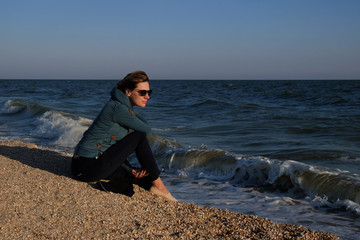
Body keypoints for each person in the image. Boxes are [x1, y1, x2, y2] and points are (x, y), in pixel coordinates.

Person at [71, 71, 177, 201]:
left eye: (149, 92)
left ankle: (154, 185)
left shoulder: (119, 107)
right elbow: (146, 128)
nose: (147, 96)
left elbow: (112, 146)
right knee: (139, 136)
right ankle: (160, 186)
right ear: (128, 92)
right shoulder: (118, 109)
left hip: (85, 165)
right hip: (86, 167)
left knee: (140, 178)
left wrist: (129, 169)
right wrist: (131, 114)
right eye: (142, 92)